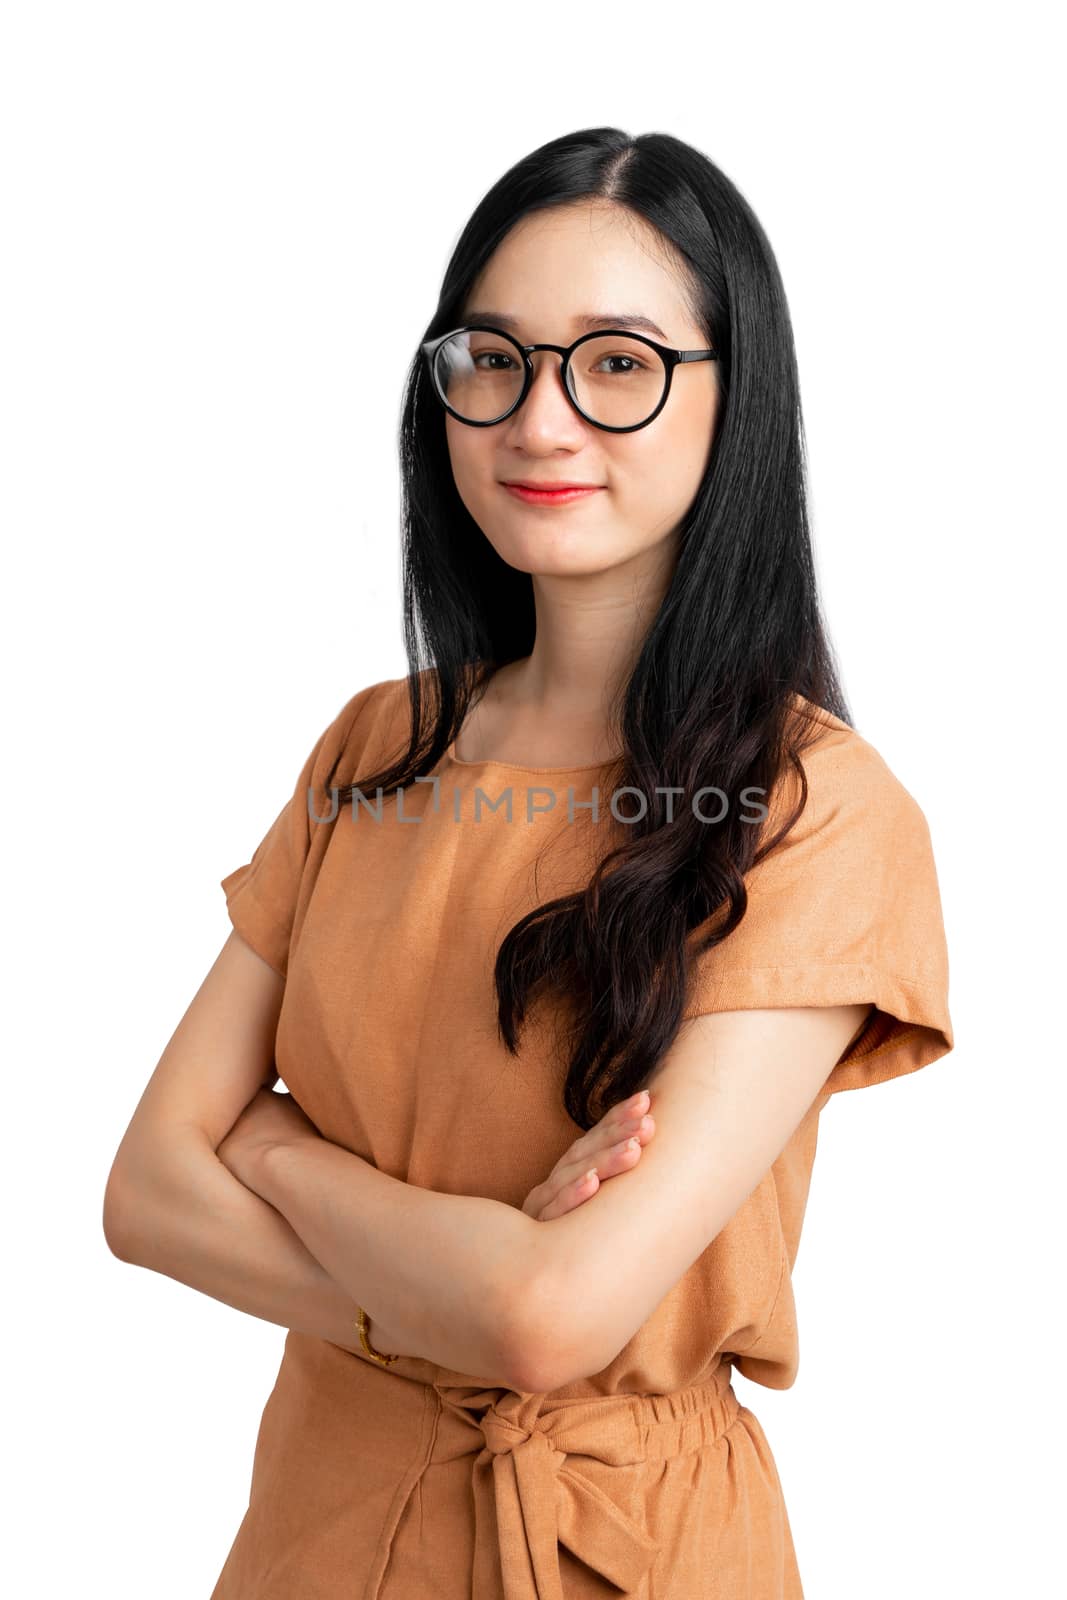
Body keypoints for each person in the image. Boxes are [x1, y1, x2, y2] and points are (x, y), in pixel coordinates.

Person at [103, 126, 954, 1599]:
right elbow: (144, 1194)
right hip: (315, 1523)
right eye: (491, 358)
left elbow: (556, 1321)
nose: (538, 422)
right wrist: (460, 1291)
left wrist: (277, 1147)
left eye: (617, 364)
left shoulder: (817, 809)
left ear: (731, 396)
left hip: (622, 1552)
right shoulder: (374, 751)